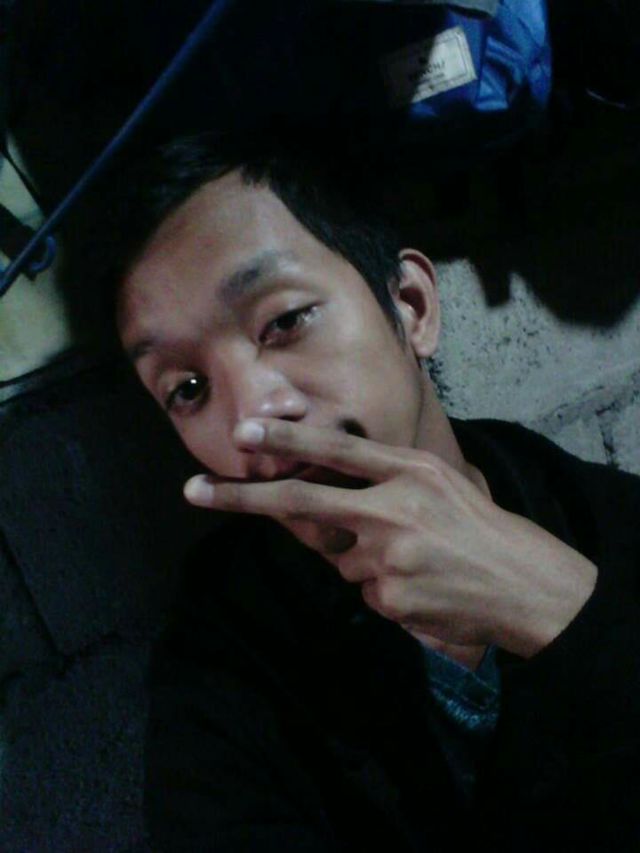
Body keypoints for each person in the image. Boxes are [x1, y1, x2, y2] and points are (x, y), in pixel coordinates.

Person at [104, 132, 639, 850]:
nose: (251, 420)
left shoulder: (611, 523)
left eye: (284, 321)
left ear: (411, 305)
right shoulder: (226, 656)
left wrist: (564, 611)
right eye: (189, 388)